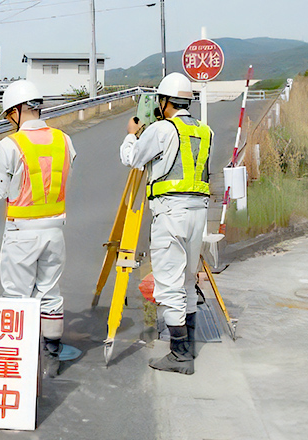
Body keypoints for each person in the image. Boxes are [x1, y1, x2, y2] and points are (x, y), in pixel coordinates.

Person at [120, 72, 213, 375]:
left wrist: (132, 134)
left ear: (163, 102)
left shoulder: (162, 129)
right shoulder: (204, 131)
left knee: (168, 283)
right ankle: (187, 346)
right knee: (187, 279)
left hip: (171, 212)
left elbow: (133, 158)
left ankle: (179, 354)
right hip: (198, 212)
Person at [0, 80, 76, 377]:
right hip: (55, 230)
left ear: (14, 111)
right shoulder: (64, 139)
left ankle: (18, 360)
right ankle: (51, 357)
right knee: (50, 292)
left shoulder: (9, 145)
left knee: (17, 296)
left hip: (22, 232)